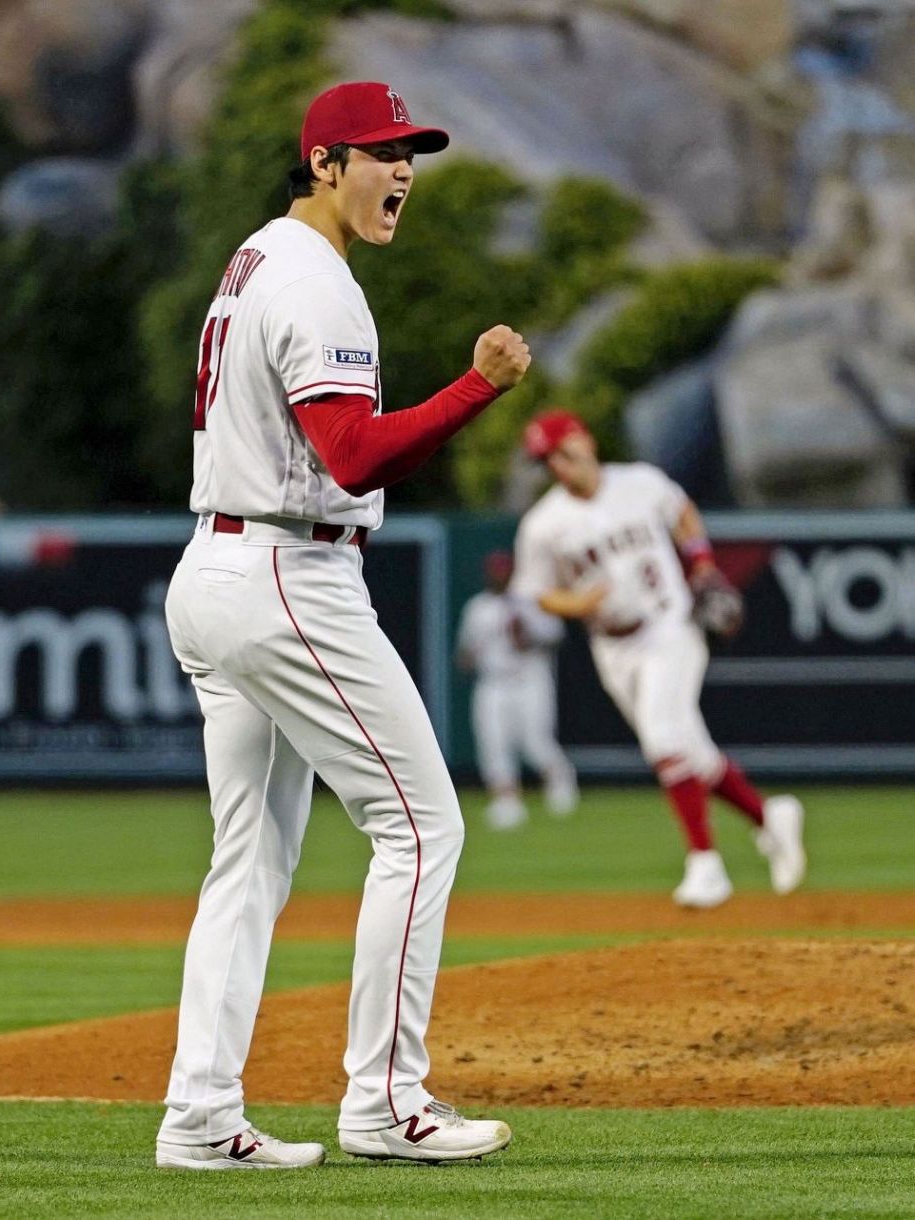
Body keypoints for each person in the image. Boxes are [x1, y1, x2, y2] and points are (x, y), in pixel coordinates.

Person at [155, 81, 529, 1171]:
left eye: (411, 153)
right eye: (380, 152)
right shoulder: (318, 283)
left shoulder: (256, 258)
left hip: (216, 568)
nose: (402, 169)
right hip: (287, 573)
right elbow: (353, 456)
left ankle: (199, 1115)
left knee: (250, 861)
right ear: (324, 161)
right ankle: (387, 1101)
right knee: (421, 826)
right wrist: (476, 386)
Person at [512, 408, 806, 909]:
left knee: (663, 736)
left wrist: (704, 565)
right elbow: (536, 592)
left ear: (584, 440)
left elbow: (683, 513)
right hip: (613, 647)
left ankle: (705, 865)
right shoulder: (544, 525)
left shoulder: (640, 483)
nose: (558, 465)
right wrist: (574, 604)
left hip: (671, 625)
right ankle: (769, 816)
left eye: (562, 451)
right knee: (692, 754)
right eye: (548, 461)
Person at [456, 549, 579, 829]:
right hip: (493, 681)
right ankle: (507, 801)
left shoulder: (531, 601)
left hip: (529, 677)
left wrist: (528, 635)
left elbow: (556, 637)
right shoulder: (478, 608)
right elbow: (464, 653)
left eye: (504, 570)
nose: (499, 576)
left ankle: (559, 776)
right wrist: (471, 656)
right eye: (494, 571)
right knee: (493, 743)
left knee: (535, 742)